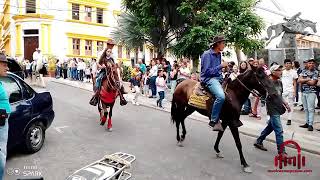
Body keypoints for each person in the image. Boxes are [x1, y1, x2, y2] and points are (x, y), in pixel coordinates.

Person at [254, 65, 291, 154]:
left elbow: (279, 95)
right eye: (278, 70)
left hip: (278, 106)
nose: (280, 71)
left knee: (271, 127)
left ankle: (259, 141)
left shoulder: (279, 82)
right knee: (279, 130)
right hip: (272, 108)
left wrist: (285, 104)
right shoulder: (267, 83)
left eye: (281, 70)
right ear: (273, 72)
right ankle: (281, 151)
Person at [200, 36, 228, 131]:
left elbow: (217, 70)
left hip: (218, 77)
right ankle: (213, 119)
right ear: (217, 44)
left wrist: (224, 70)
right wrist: (220, 66)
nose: (224, 45)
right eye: (223, 43)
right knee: (221, 96)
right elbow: (207, 72)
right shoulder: (207, 54)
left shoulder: (219, 54)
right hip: (209, 79)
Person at [298, 59, 318, 131]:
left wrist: (304, 80)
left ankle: (310, 124)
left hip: (311, 92)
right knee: (306, 109)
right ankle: (307, 122)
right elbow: (298, 80)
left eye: (313, 63)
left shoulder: (316, 72)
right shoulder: (304, 71)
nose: (311, 64)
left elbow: (313, 83)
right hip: (304, 92)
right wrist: (307, 79)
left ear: (314, 64)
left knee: (311, 109)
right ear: (307, 64)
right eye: (310, 63)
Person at [0, 52, 11, 179]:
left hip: (3, 123)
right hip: (0, 124)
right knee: (1, 159)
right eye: (4, 64)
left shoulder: (1, 82)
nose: (7, 68)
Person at [281, 59, 298, 125]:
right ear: (284, 64)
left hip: (291, 90)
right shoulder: (282, 71)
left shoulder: (294, 72)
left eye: (289, 63)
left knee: (291, 105)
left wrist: (295, 91)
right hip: (283, 90)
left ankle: (289, 119)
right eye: (286, 63)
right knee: (283, 104)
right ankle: (282, 116)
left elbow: (295, 82)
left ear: (291, 64)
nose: (288, 64)